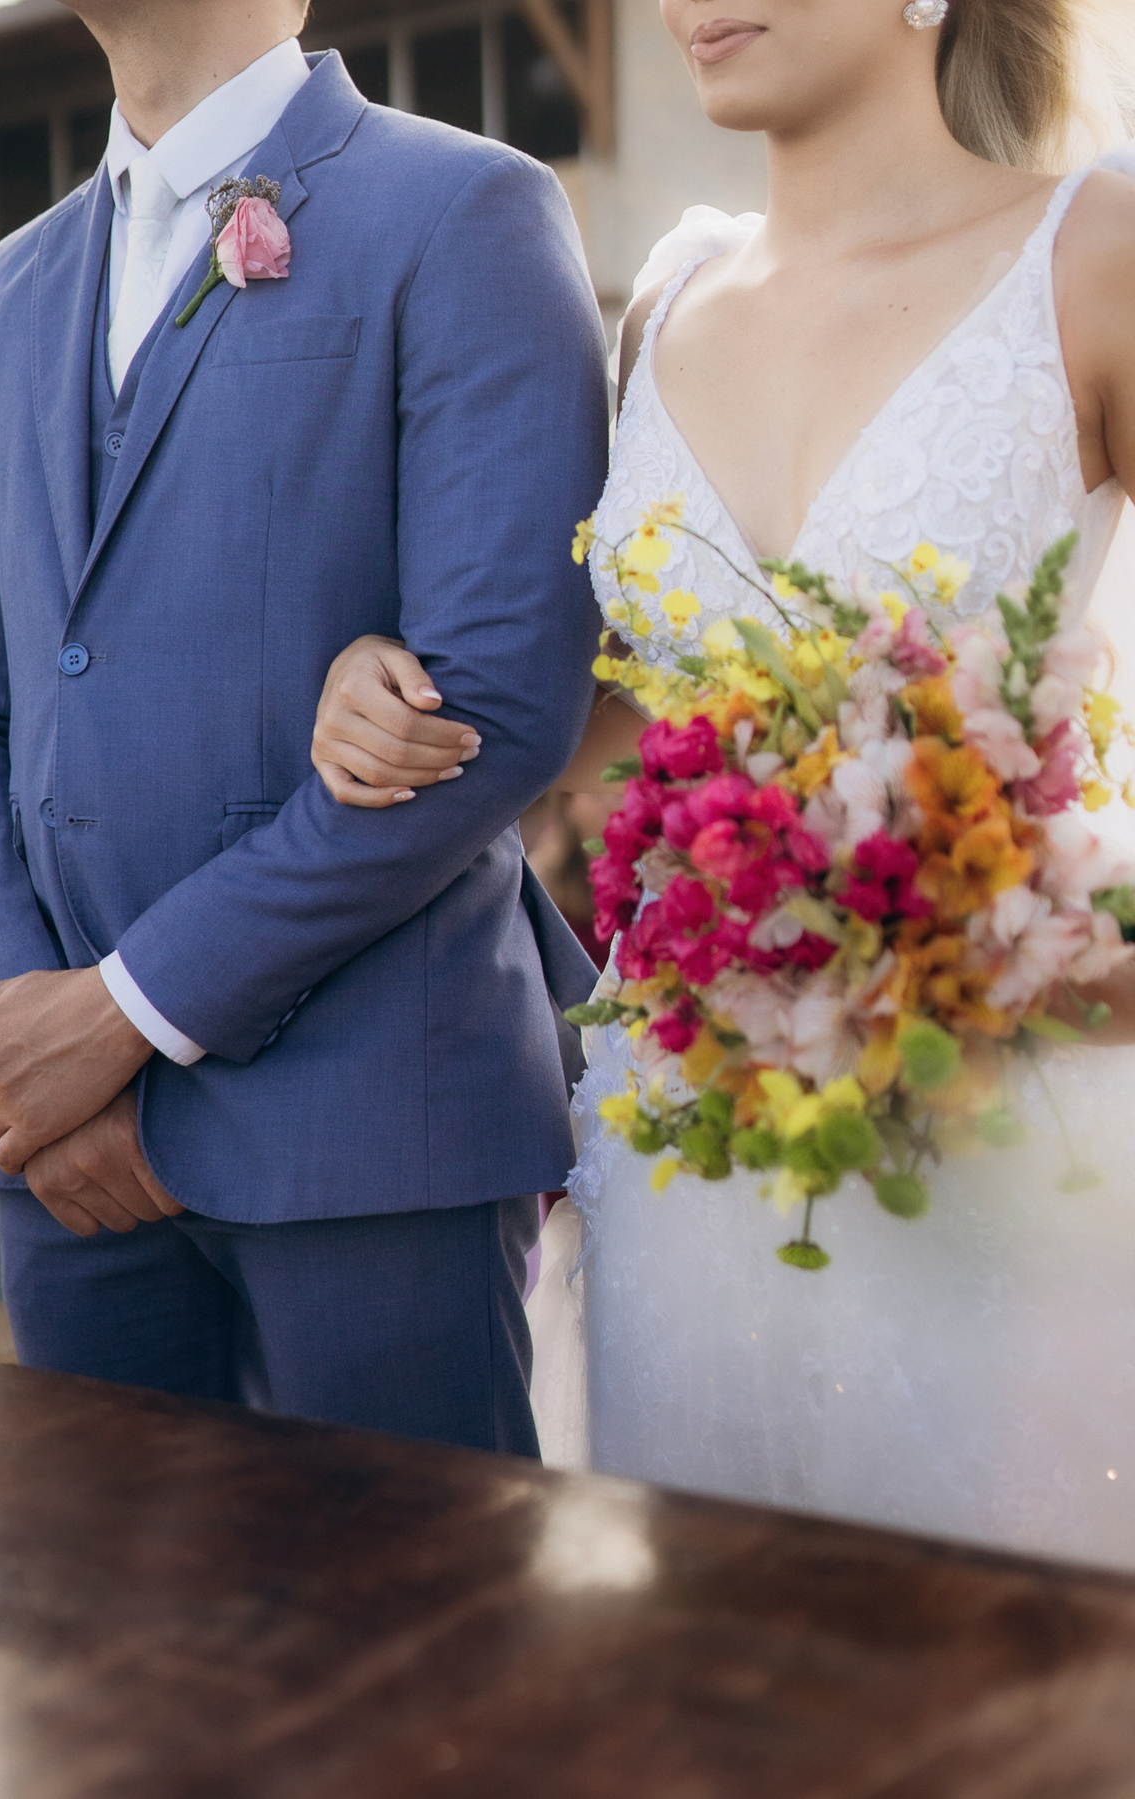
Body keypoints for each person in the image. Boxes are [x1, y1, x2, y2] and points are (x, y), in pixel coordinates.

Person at [305, 0, 1135, 1564]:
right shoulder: (665, 295)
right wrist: (375, 683)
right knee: (713, 1679)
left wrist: (1070, 960)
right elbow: (612, 703)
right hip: (690, 1135)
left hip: (1005, 1127)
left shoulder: (1095, 251)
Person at [0, 0, 609, 1451]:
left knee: (419, 1650)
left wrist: (126, 1015)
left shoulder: (467, 212)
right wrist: (30, 1046)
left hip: (373, 1128)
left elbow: (495, 694)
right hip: (59, 1158)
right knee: (104, 1652)